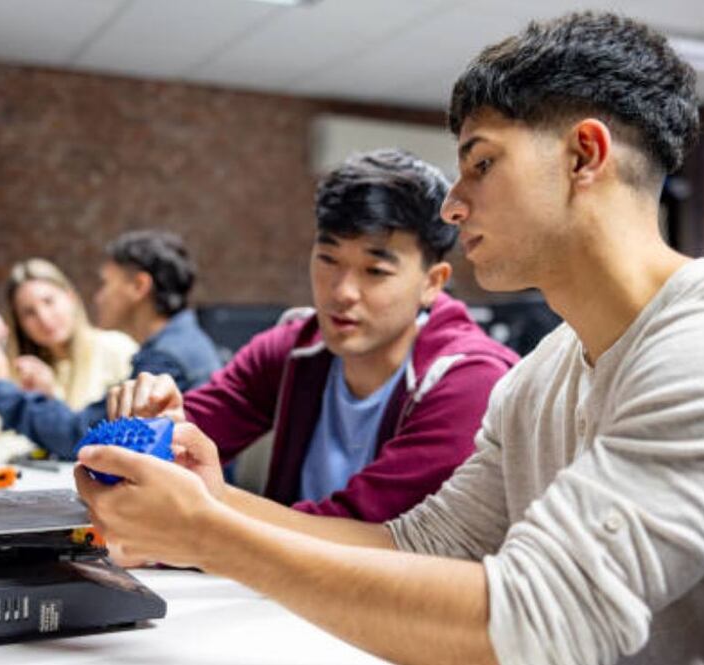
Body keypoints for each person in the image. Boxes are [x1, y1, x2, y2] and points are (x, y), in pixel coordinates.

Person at [75, 12, 704, 665]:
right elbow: (418, 545)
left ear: (585, 155)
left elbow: (543, 622)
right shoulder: (542, 377)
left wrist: (213, 535)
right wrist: (218, 504)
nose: (454, 205)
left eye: (481, 163)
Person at [105, 149, 517, 521]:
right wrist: (154, 429)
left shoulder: (470, 382)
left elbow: (371, 533)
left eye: (375, 271)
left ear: (432, 282)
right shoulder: (294, 347)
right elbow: (183, 436)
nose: (341, 293)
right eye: (328, 259)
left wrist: (210, 504)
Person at [0, 230, 222, 457]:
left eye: (106, 283)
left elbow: (83, 436)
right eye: (28, 312)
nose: (98, 297)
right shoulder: (176, 344)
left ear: (139, 286)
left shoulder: (166, 358)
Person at [0, 258, 138, 411]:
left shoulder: (117, 349)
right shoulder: (24, 370)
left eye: (49, 301)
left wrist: (51, 398)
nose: (44, 318)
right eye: (29, 312)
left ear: (70, 297)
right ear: (19, 323)